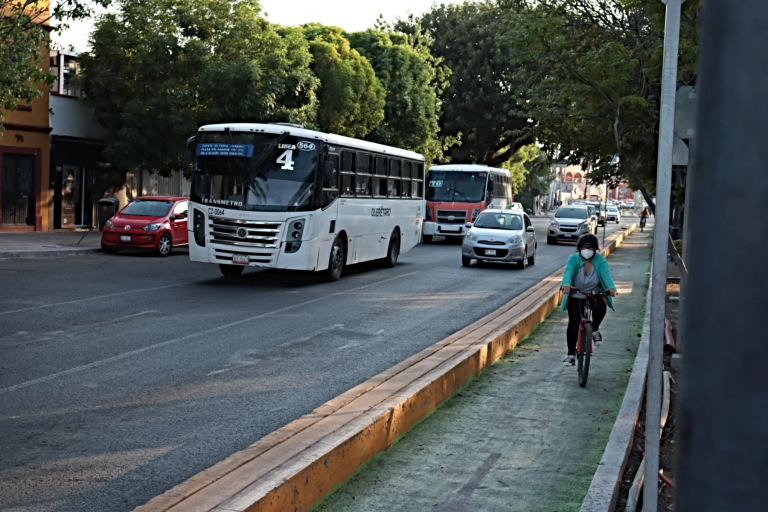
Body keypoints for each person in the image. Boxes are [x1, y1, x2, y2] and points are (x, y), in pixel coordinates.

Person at [560, 234, 618, 366]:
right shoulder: (573, 259)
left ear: (595, 249)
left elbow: (606, 276)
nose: (587, 249)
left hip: (595, 293)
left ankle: (595, 329)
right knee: (573, 323)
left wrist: (611, 288)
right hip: (576, 293)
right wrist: (566, 285)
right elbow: (568, 273)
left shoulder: (600, 260)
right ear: (579, 248)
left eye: (591, 247)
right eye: (584, 247)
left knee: (601, 306)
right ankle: (570, 355)